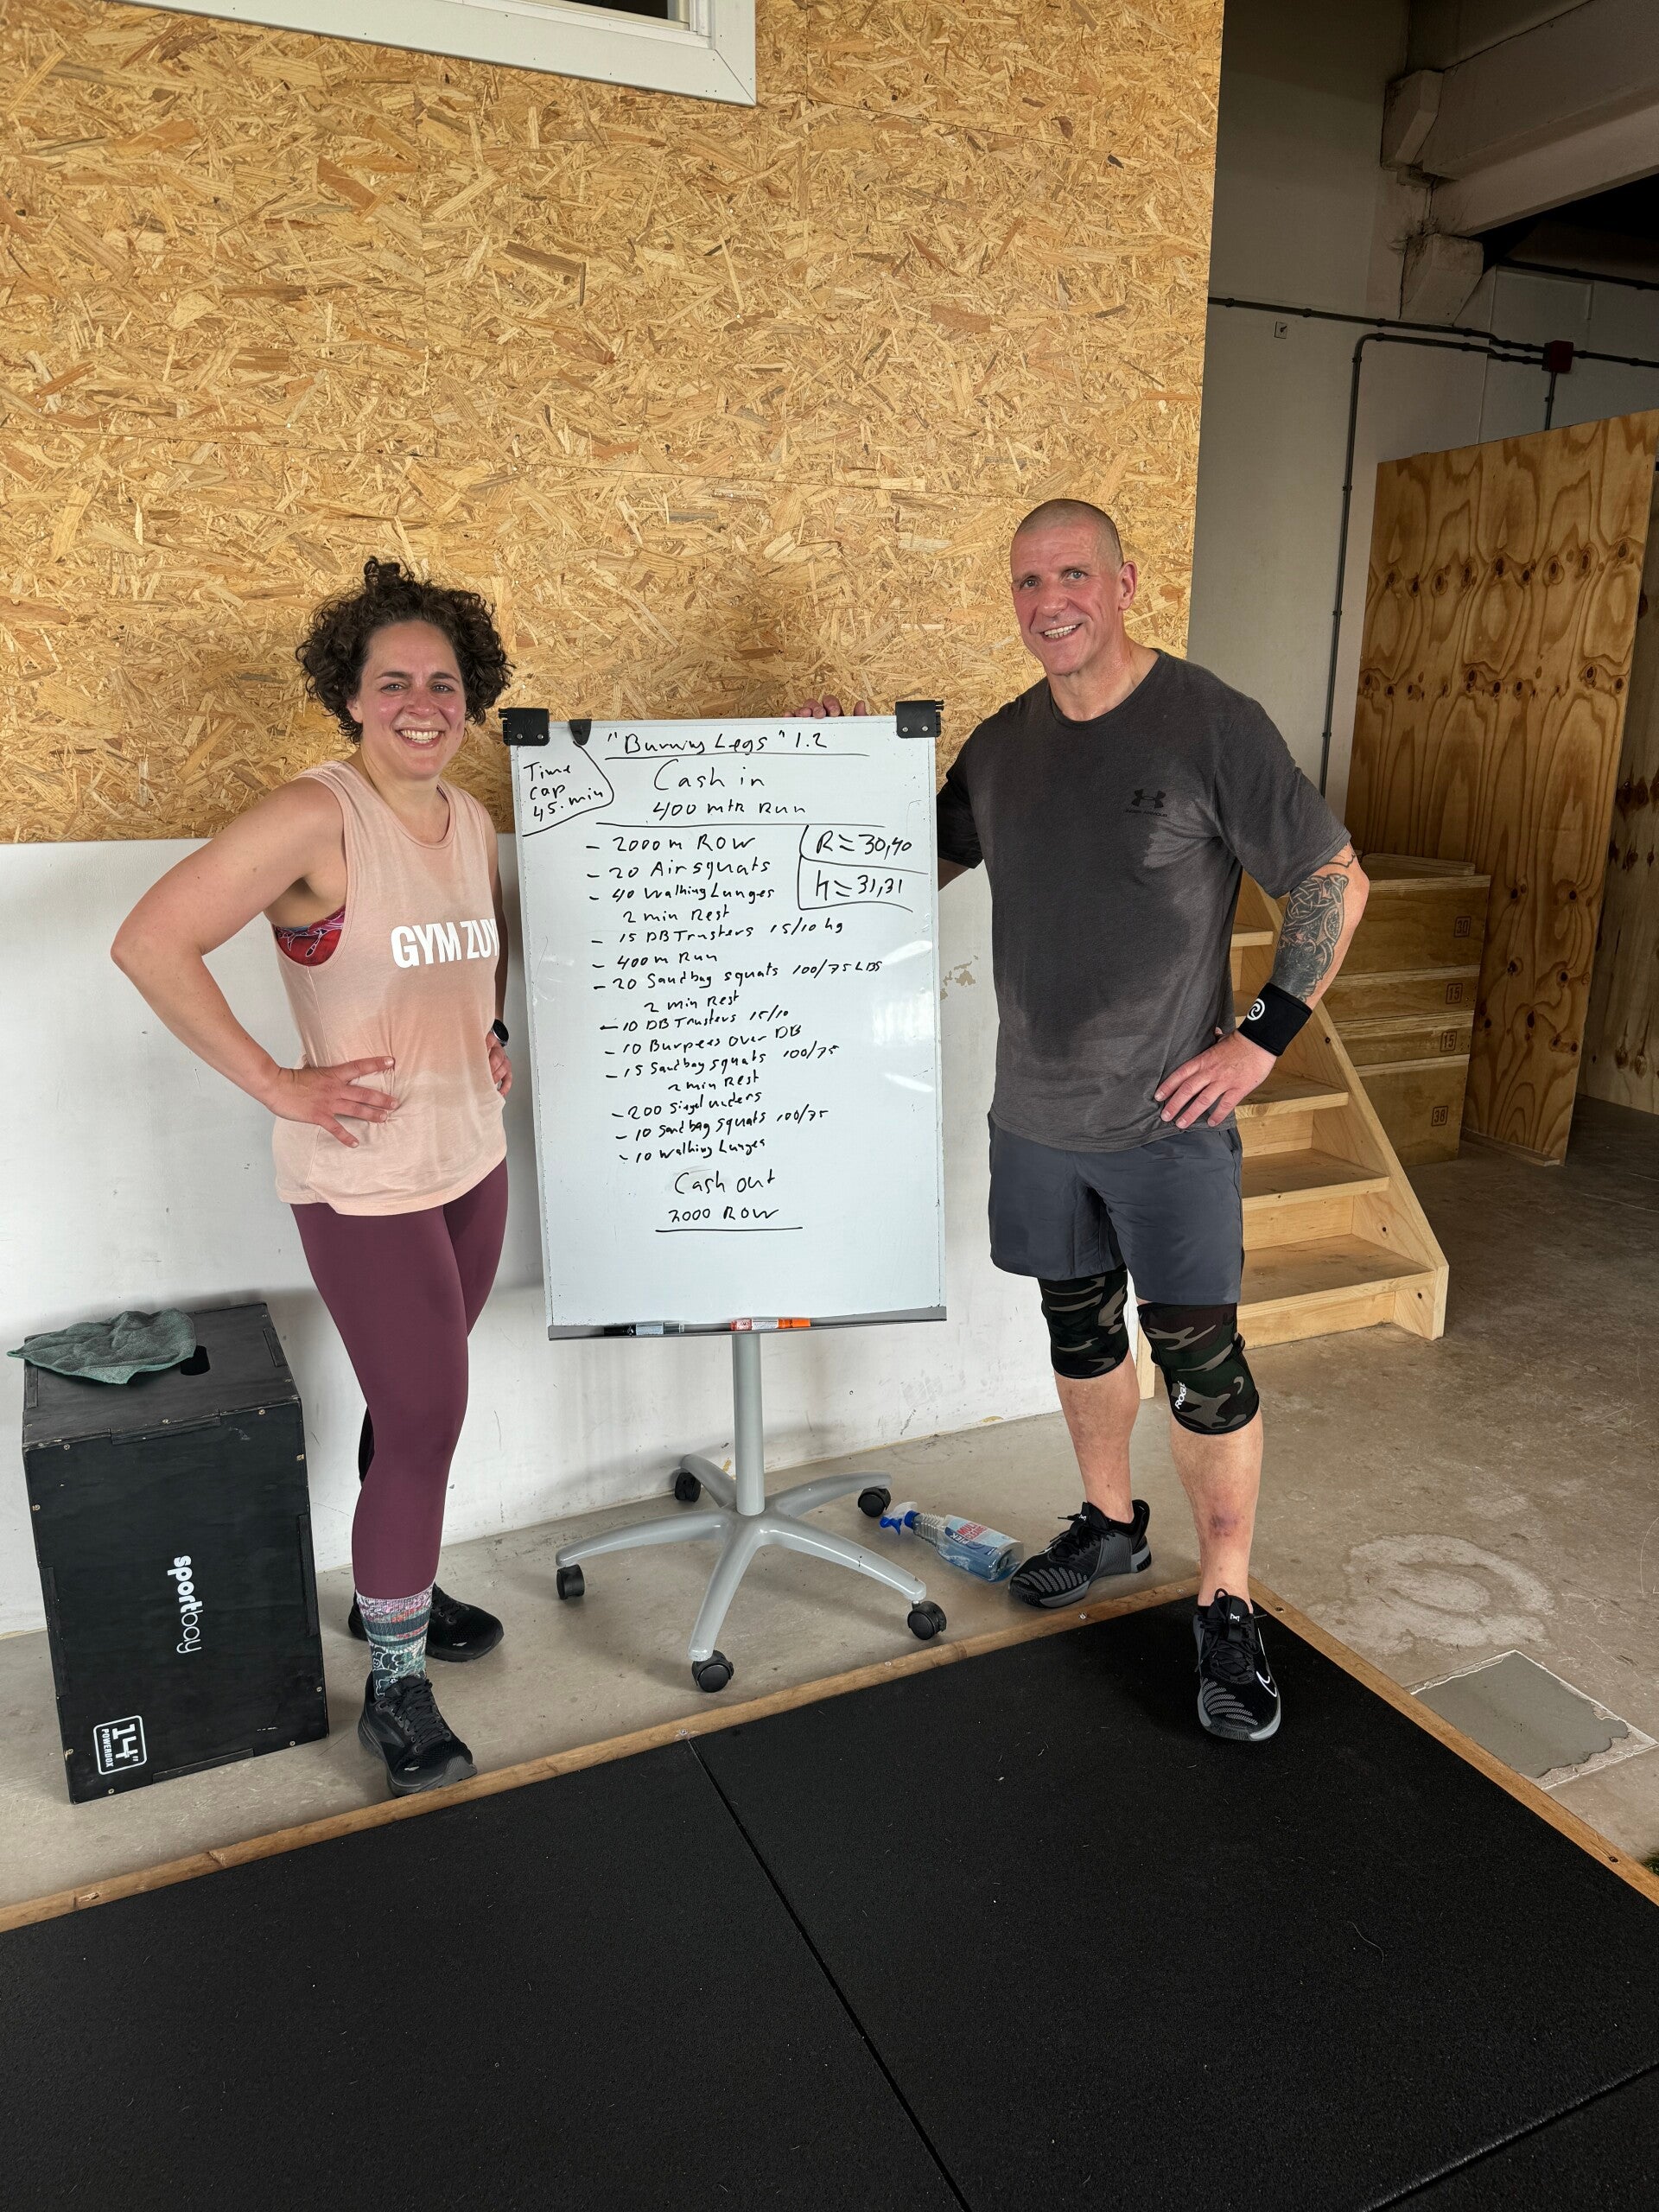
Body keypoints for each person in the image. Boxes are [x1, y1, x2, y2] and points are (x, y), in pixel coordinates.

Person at [804, 500, 1368, 1741]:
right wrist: (835, 768)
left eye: (1072, 574)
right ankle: (1111, 1525)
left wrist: (1260, 1038)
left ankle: (1226, 1601)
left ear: (1124, 582)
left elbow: (1333, 877)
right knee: (1078, 1328)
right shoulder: (1003, 747)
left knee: (1202, 1367)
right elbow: (910, 865)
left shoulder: (1209, 723)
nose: (1048, 600)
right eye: (1026, 580)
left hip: (1167, 1121)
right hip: (1038, 1117)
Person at [112, 559, 516, 1795]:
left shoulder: (470, 819)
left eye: (442, 682)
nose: (420, 703)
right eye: (392, 682)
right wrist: (279, 1083)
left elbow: (476, 955)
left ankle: (393, 1591)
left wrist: (492, 1031)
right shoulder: (316, 818)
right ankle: (395, 1685)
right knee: (429, 1420)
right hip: (364, 1180)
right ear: (350, 696)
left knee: (412, 1410)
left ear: (469, 696)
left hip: (472, 1160)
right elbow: (150, 941)